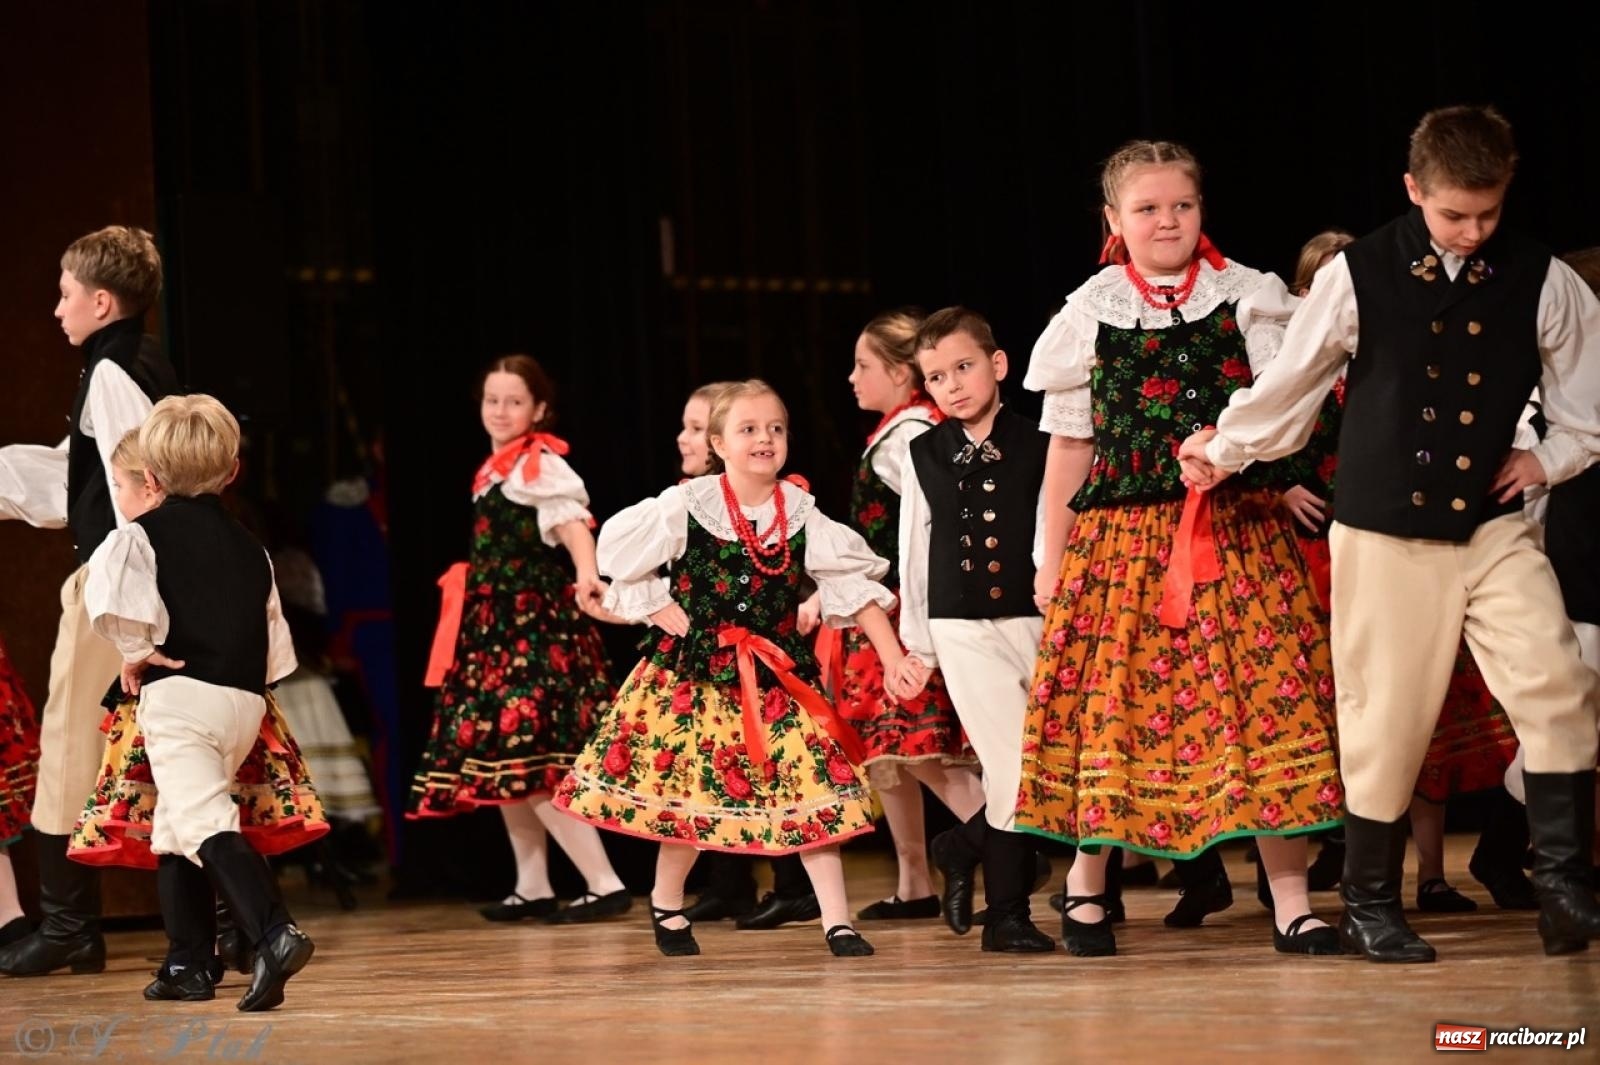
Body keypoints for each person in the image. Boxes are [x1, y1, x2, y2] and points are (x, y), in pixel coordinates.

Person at [1181, 105, 1600, 961]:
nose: (1473, 230)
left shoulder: (1543, 276)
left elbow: (1587, 402)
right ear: (1414, 189)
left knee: (1558, 682)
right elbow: (1292, 388)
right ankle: (1371, 901)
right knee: (1387, 714)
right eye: (1454, 214)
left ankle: (1564, 887)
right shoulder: (1359, 272)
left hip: (1490, 528)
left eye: (1488, 212)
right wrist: (1223, 448)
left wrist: (1544, 462)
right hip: (1385, 531)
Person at [1020, 141, 1342, 958]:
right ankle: (1088, 887)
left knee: (1265, 700)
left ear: (1202, 211)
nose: (1166, 221)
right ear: (1113, 221)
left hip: (1236, 531)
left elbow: (1286, 414)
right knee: (1115, 707)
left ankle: (1293, 900)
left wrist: (1233, 446)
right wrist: (1049, 557)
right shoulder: (1089, 310)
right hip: (1122, 543)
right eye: (1146, 208)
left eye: (1181, 206)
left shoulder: (1251, 296)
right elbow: (1069, 448)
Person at [557, 379, 902, 958]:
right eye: (748, 429)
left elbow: (853, 589)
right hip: (697, 680)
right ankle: (666, 904)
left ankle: (837, 922)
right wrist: (653, 602)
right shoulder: (689, 504)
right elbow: (620, 559)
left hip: (776, 677)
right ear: (717, 442)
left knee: (816, 791)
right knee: (692, 803)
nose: (764, 439)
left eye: (775, 428)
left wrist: (893, 658)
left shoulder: (800, 512)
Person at [85, 395, 313, 1010]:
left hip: (182, 699)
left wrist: (136, 651)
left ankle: (273, 930)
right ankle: (188, 961)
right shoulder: (251, 548)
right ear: (232, 471)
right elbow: (275, 645)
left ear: (151, 478)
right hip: (244, 701)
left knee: (205, 818)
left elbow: (116, 608)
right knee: (175, 825)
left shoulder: (139, 537)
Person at [0, 225, 177, 977]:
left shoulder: (111, 372)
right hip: (136, 571)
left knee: (73, 743)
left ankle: (70, 924)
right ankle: (233, 920)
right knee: (163, 750)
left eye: (67, 293)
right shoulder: (136, 360)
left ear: (101, 300)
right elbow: (83, 477)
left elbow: (129, 485)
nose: (57, 308)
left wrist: (123, 599)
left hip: (118, 578)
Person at [410, 355, 630, 926]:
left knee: (531, 761)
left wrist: (587, 573)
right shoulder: (495, 468)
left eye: (513, 401)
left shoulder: (540, 464)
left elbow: (573, 524)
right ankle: (532, 885)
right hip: (493, 629)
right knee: (510, 763)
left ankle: (604, 883)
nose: (501, 411)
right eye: (492, 400)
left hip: (531, 632)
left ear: (539, 409)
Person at [891, 307, 1057, 953]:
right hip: (959, 625)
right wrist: (919, 644)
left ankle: (960, 844)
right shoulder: (922, 453)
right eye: (936, 376)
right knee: (1010, 763)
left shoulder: (1042, 439)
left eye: (962, 367)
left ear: (997, 364)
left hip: (1034, 614)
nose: (952, 384)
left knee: (1040, 764)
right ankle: (1007, 916)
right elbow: (914, 546)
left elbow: (1053, 527)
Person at [816, 311, 987, 922]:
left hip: (899, 614)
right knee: (893, 753)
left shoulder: (907, 435)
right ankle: (914, 879)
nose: (853, 377)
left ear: (898, 372)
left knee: (922, 749)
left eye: (865, 365)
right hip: (884, 613)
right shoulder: (896, 432)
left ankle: (1002, 846)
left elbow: (926, 525)